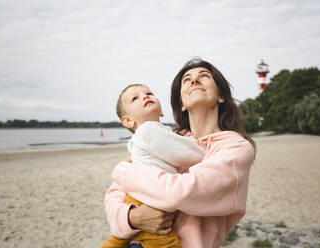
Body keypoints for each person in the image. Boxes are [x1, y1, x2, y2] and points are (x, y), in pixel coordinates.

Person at [104, 57, 256, 248]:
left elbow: (183, 192)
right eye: (187, 79)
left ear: (221, 96)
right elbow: (114, 195)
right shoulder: (165, 138)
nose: (194, 80)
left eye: (204, 76)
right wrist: (131, 217)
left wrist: (122, 171)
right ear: (182, 102)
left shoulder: (234, 147)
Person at [101, 83, 205, 248]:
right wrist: (201, 150)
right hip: (149, 201)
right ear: (127, 121)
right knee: (166, 243)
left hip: (137, 198)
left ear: (161, 111)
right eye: (135, 98)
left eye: (149, 93)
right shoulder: (148, 131)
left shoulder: (150, 136)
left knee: (118, 240)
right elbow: (191, 155)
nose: (145, 96)